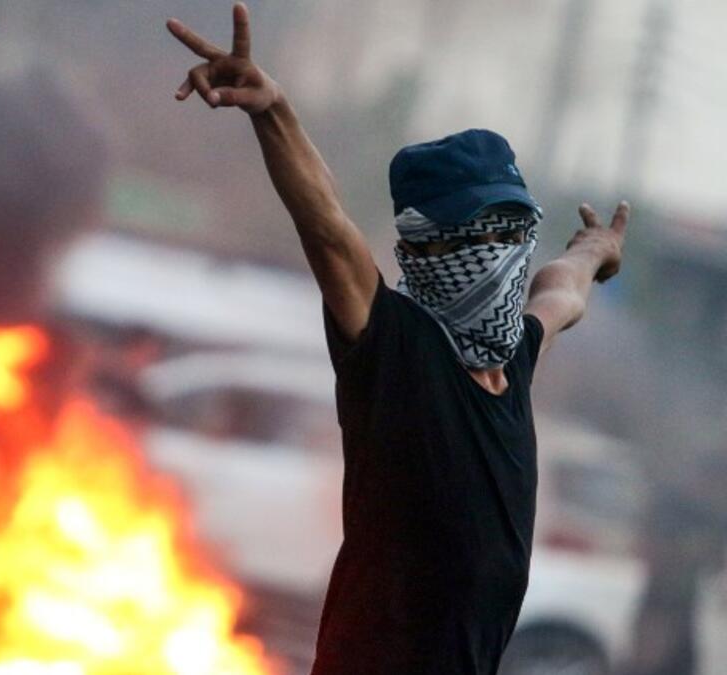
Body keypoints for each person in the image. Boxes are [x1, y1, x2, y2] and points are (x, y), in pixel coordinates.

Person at [166, 4, 629, 674]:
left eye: (511, 233)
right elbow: (326, 224)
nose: (498, 256)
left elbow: (559, 292)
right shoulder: (397, 354)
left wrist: (593, 249)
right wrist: (273, 111)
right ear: (428, 251)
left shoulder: (516, 362)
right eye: (478, 237)